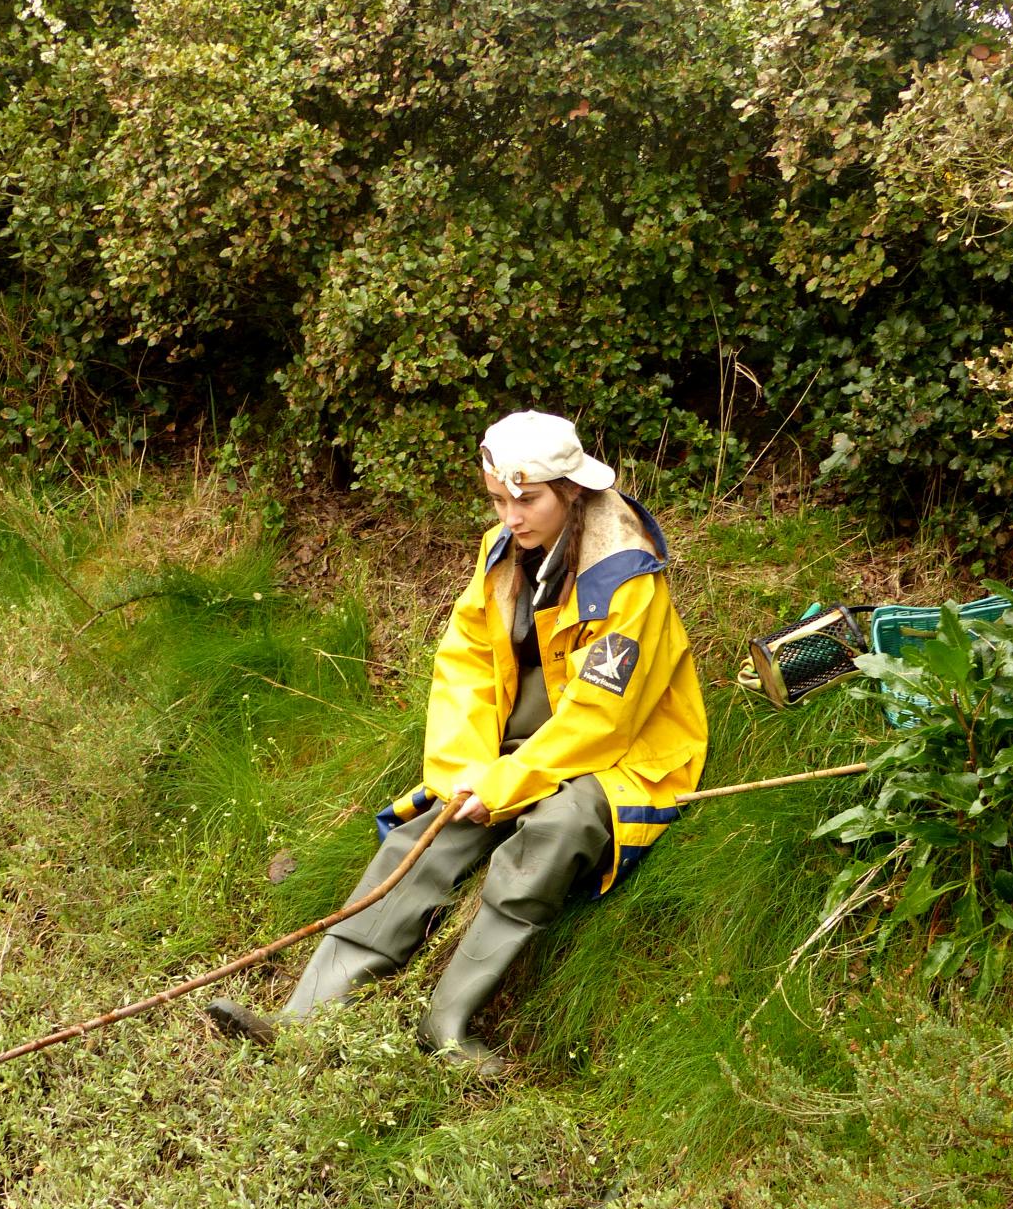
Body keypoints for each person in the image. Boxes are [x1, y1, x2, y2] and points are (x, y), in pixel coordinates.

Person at [206, 410, 708, 1078]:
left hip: (624, 755)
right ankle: (304, 1020)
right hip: (528, 741)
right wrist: (465, 774)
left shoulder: (627, 578)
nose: (511, 517)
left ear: (573, 491)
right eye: (499, 500)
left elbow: (601, 720)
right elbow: (464, 667)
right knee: (426, 831)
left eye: (526, 500)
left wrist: (504, 785)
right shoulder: (503, 552)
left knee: (556, 829)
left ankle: (446, 1020)